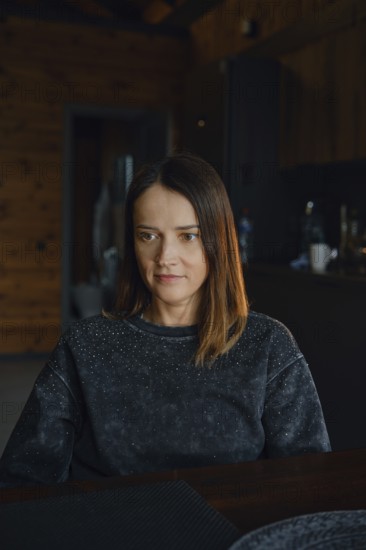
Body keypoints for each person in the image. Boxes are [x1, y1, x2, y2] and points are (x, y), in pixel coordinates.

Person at [0, 152, 331, 487]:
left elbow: (310, 483)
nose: (165, 257)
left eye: (188, 236)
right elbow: (23, 479)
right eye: (149, 235)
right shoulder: (84, 345)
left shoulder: (268, 344)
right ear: (133, 242)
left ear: (217, 241)